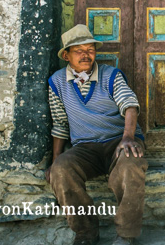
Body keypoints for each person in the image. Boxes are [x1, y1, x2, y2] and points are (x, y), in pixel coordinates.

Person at [45, 24, 147, 245]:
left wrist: (128, 137)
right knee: (61, 170)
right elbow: (60, 124)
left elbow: (129, 105)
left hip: (118, 142)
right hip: (84, 148)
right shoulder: (57, 82)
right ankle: (86, 233)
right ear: (66, 55)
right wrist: (55, 161)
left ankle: (126, 235)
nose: (86, 55)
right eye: (78, 50)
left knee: (131, 165)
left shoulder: (111, 76)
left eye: (90, 50)